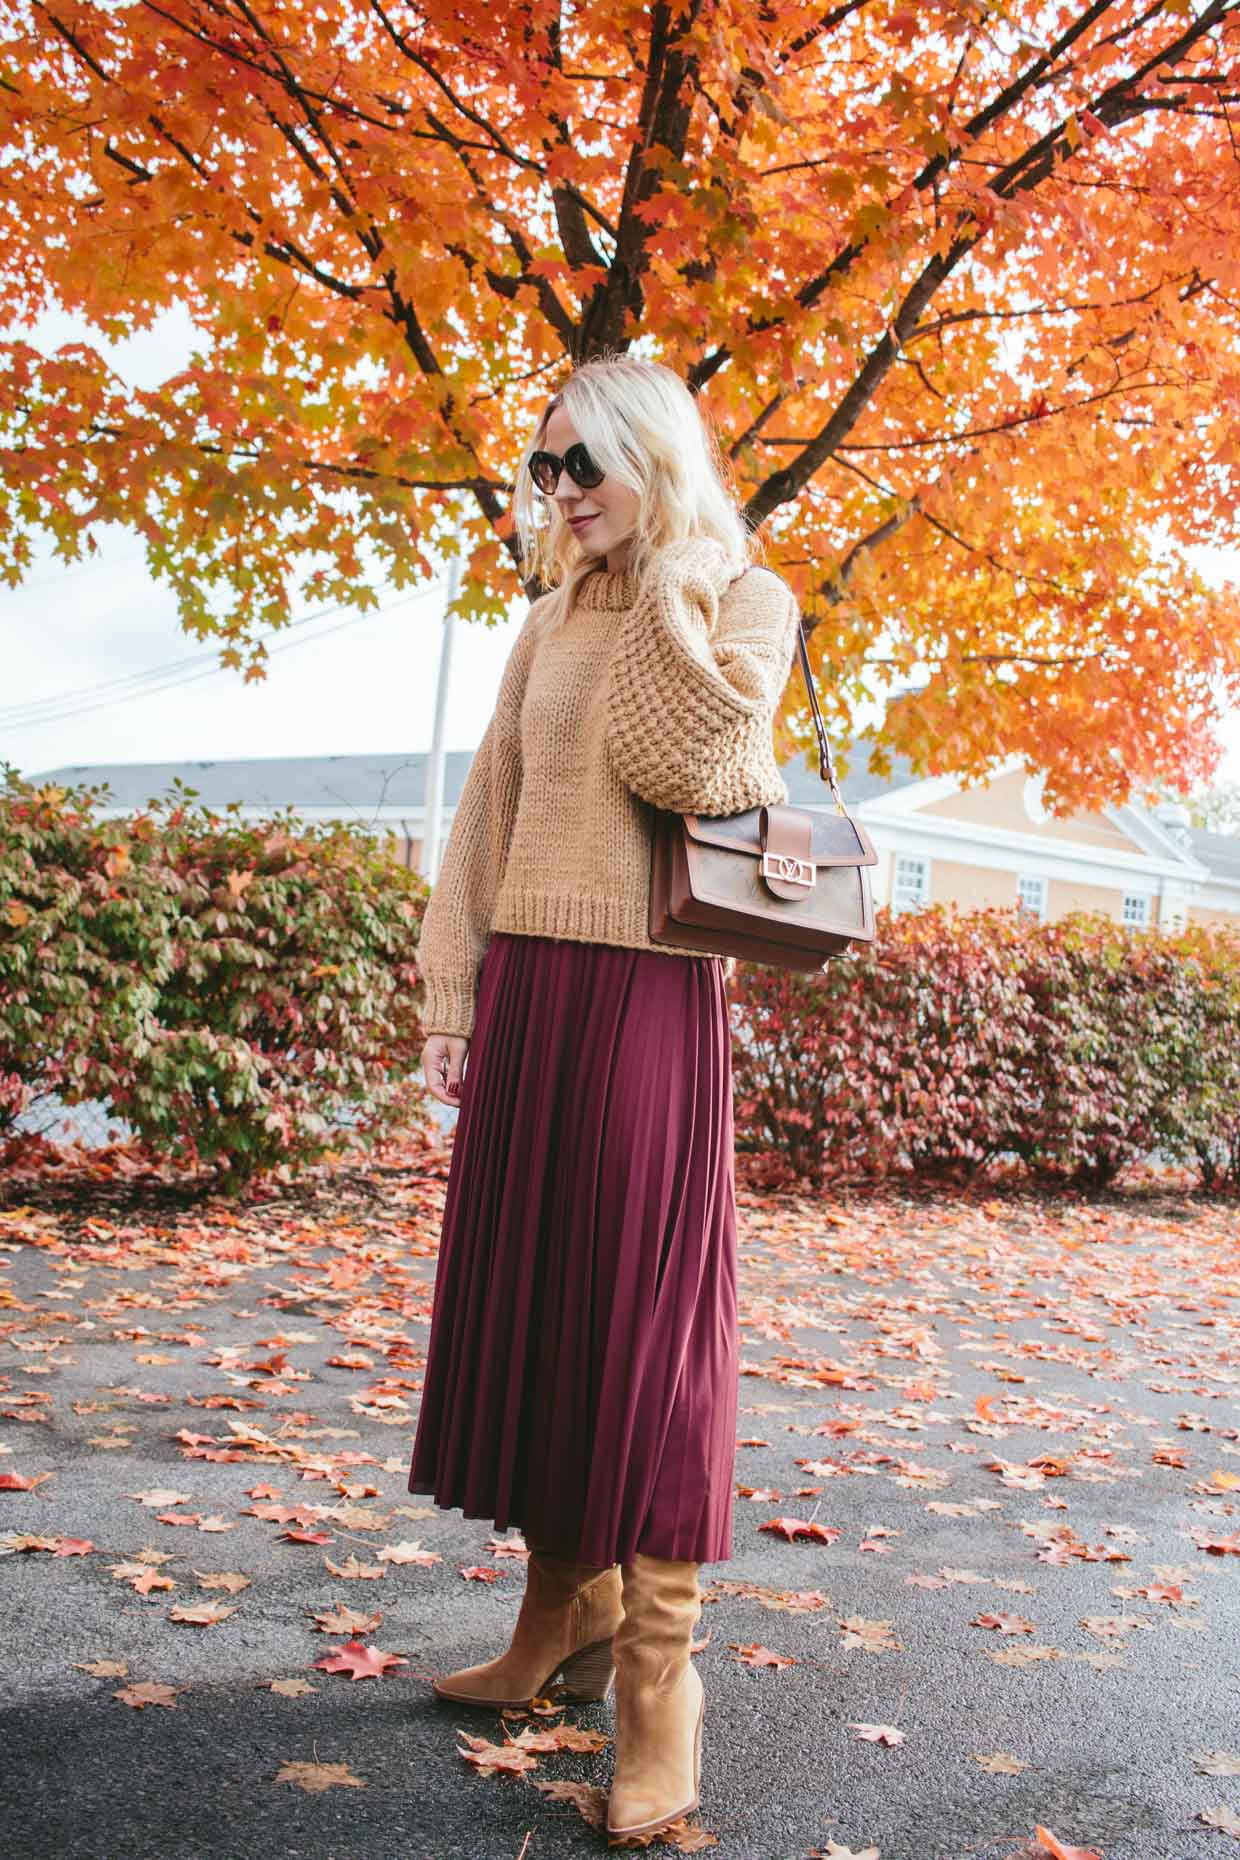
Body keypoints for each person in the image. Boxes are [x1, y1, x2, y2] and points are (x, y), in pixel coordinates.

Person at [408, 352, 802, 1840]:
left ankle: (658, 1691)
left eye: (585, 466)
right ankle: (552, 1622)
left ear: (655, 458)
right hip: (531, 993)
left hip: (646, 999)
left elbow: (694, 763)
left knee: (644, 1330)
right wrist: (454, 999)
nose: (557, 493)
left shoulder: (739, 601)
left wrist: (671, 577)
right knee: (543, 1312)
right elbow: (485, 817)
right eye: (544, 468)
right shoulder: (537, 622)